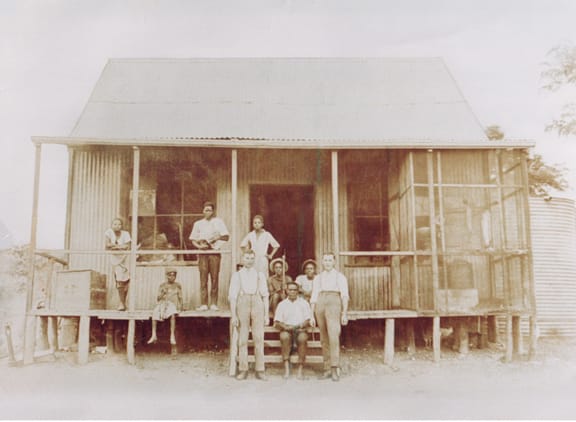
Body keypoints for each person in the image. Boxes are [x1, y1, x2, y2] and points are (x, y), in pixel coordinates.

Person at [229, 249, 269, 381]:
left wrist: (266, 315)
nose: (249, 260)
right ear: (242, 258)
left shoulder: (260, 275)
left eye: (252, 258)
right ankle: (243, 369)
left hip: (257, 303)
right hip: (242, 303)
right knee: (243, 339)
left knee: (259, 338)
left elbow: (265, 295)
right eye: (247, 258)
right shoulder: (237, 275)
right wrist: (234, 316)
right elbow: (233, 297)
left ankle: (260, 369)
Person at [310, 253, 349, 382]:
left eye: (329, 260)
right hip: (320, 302)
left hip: (334, 301)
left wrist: (344, 312)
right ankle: (326, 368)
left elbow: (344, 295)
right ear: (322, 262)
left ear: (334, 262)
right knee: (323, 338)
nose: (327, 262)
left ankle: (334, 368)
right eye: (325, 260)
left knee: (333, 336)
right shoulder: (318, 278)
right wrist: (311, 314)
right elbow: (314, 297)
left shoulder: (340, 277)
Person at [190, 201, 230, 311]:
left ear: (213, 211)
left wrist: (216, 239)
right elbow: (193, 240)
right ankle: (203, 304)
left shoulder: (219, 222)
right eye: (206, 210)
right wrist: (199, 246)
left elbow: (226, 237)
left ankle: (213, 303)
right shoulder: (198, 224)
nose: (208, 212)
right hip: (203, 253)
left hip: (214, 253)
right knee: (203, 279)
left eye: (210, 210)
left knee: (214, 278)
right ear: (203, 211)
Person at [274, 282, 312, 379]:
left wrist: (300, 326)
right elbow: (277, 321)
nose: (292, 292)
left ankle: (300, 370)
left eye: (295, 290)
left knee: (302, 338)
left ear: (298, 291)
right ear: (287, 291)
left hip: (300, 329)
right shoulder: (282, 304)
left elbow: (308, 319)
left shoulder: (304, 303)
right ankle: (286, 369)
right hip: (287, 329)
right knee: (284, 337)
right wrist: (285, 327)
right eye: (290, 290)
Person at [147, 268, 183, 346]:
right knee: (155, 313)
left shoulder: (177, 285)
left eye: (174, 275)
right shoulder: (162, 285)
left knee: (172, 314)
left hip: (172, 305)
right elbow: (158, 299)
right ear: (167, 276)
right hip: (162, 303)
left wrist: (180, 307)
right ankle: (153, 335)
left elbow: (180, 297)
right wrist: (163, 293)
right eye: (170, 275)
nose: (172, 277)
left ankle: (172, 335)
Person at [105, 218, 131, 311]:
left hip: (125, 258)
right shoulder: (109, 232)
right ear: (112, 225)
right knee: (119, 280)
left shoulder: (126, 234)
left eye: (119, 224)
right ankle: (122, 303)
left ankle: (123, 302)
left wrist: (115, 246)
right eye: (115, 224)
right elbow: (107, 245)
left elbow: (127, 246)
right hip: (115, 259)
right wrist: (120, 247)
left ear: (122, 226)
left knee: (126, 280)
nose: (117, 226)